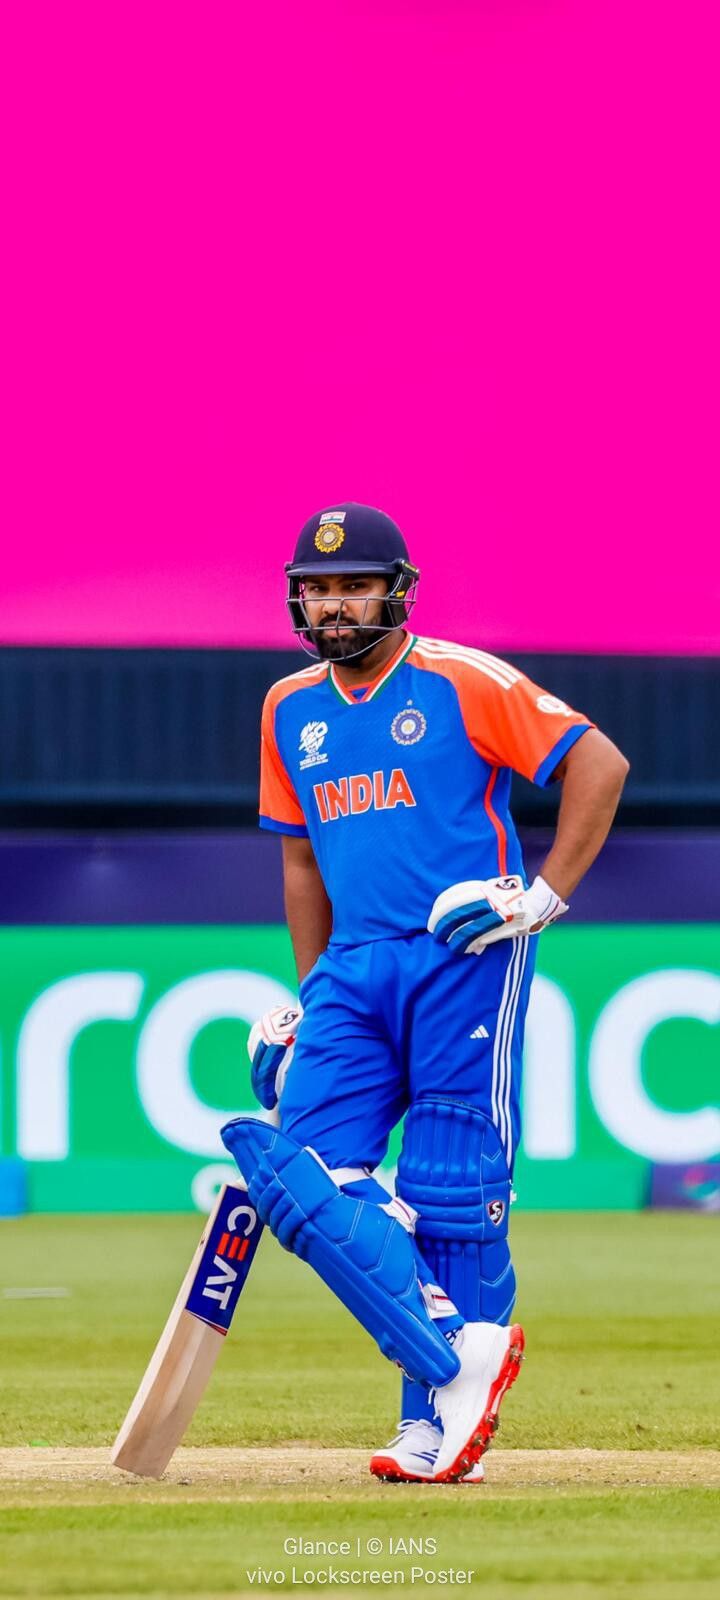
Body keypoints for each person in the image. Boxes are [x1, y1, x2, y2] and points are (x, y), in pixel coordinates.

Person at [222, 502, 629, 1484]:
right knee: (297, 1176)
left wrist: (542, 897)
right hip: (354, 967)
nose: (333, 602)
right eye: (316, 587)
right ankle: (457, 1358)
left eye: (354, 583)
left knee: (454, 1195)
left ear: (397, 590)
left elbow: (598, 763)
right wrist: (312, 988)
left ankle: (433, 1419)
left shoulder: (459, 679)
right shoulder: (289, 707)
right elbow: (303, 866)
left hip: (465, 950)